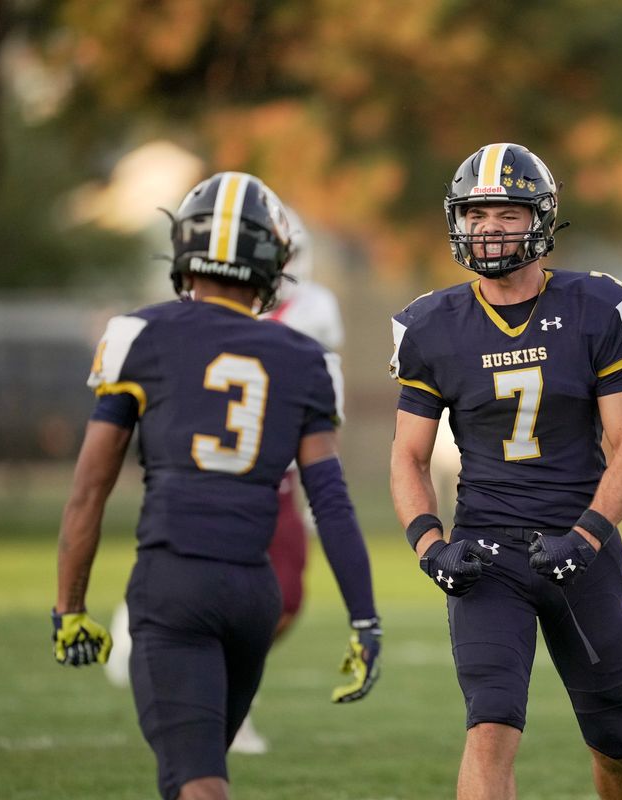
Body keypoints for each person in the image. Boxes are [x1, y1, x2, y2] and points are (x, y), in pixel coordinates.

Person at [52, 171, 381, 800]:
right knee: (194, 778)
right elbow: (331, 501)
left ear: (184, 249)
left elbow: (88, 489)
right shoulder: (306, 358)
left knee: (199, 785)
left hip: (175, 585)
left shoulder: (139, 335)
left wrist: (69, 609)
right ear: (273, 261)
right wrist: (364, 618)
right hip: (253, 595)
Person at [389, 143, 622, 800]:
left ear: (540, 219)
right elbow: (408, 456)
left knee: (615, 739)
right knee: (489, 726)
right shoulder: (430, 324)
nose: (489, 229)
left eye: (505, 213)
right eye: (476, 215)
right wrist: (429, 545)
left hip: (580, 547)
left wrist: (587, 536)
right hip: (486, 555)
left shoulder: (597, 307)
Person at [229, 206, 346, 753]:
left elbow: (328, 402)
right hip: (221, 475)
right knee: (226, 593)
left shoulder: (315, 308)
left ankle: (230, 690)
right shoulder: (210, 307)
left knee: (288, 597)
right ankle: (220, 700)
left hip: (286, 473)